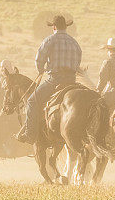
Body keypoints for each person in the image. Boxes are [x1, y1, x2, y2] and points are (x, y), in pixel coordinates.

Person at [15, 15, 81, 144]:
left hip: (55, 80)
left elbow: (39, 60)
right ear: (66, 27)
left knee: (32, 101)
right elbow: (78, 62)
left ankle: (30, 134)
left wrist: (41, 70)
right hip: (72, 80)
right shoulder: (74, 42)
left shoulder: (49, 40)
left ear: (54, 27)